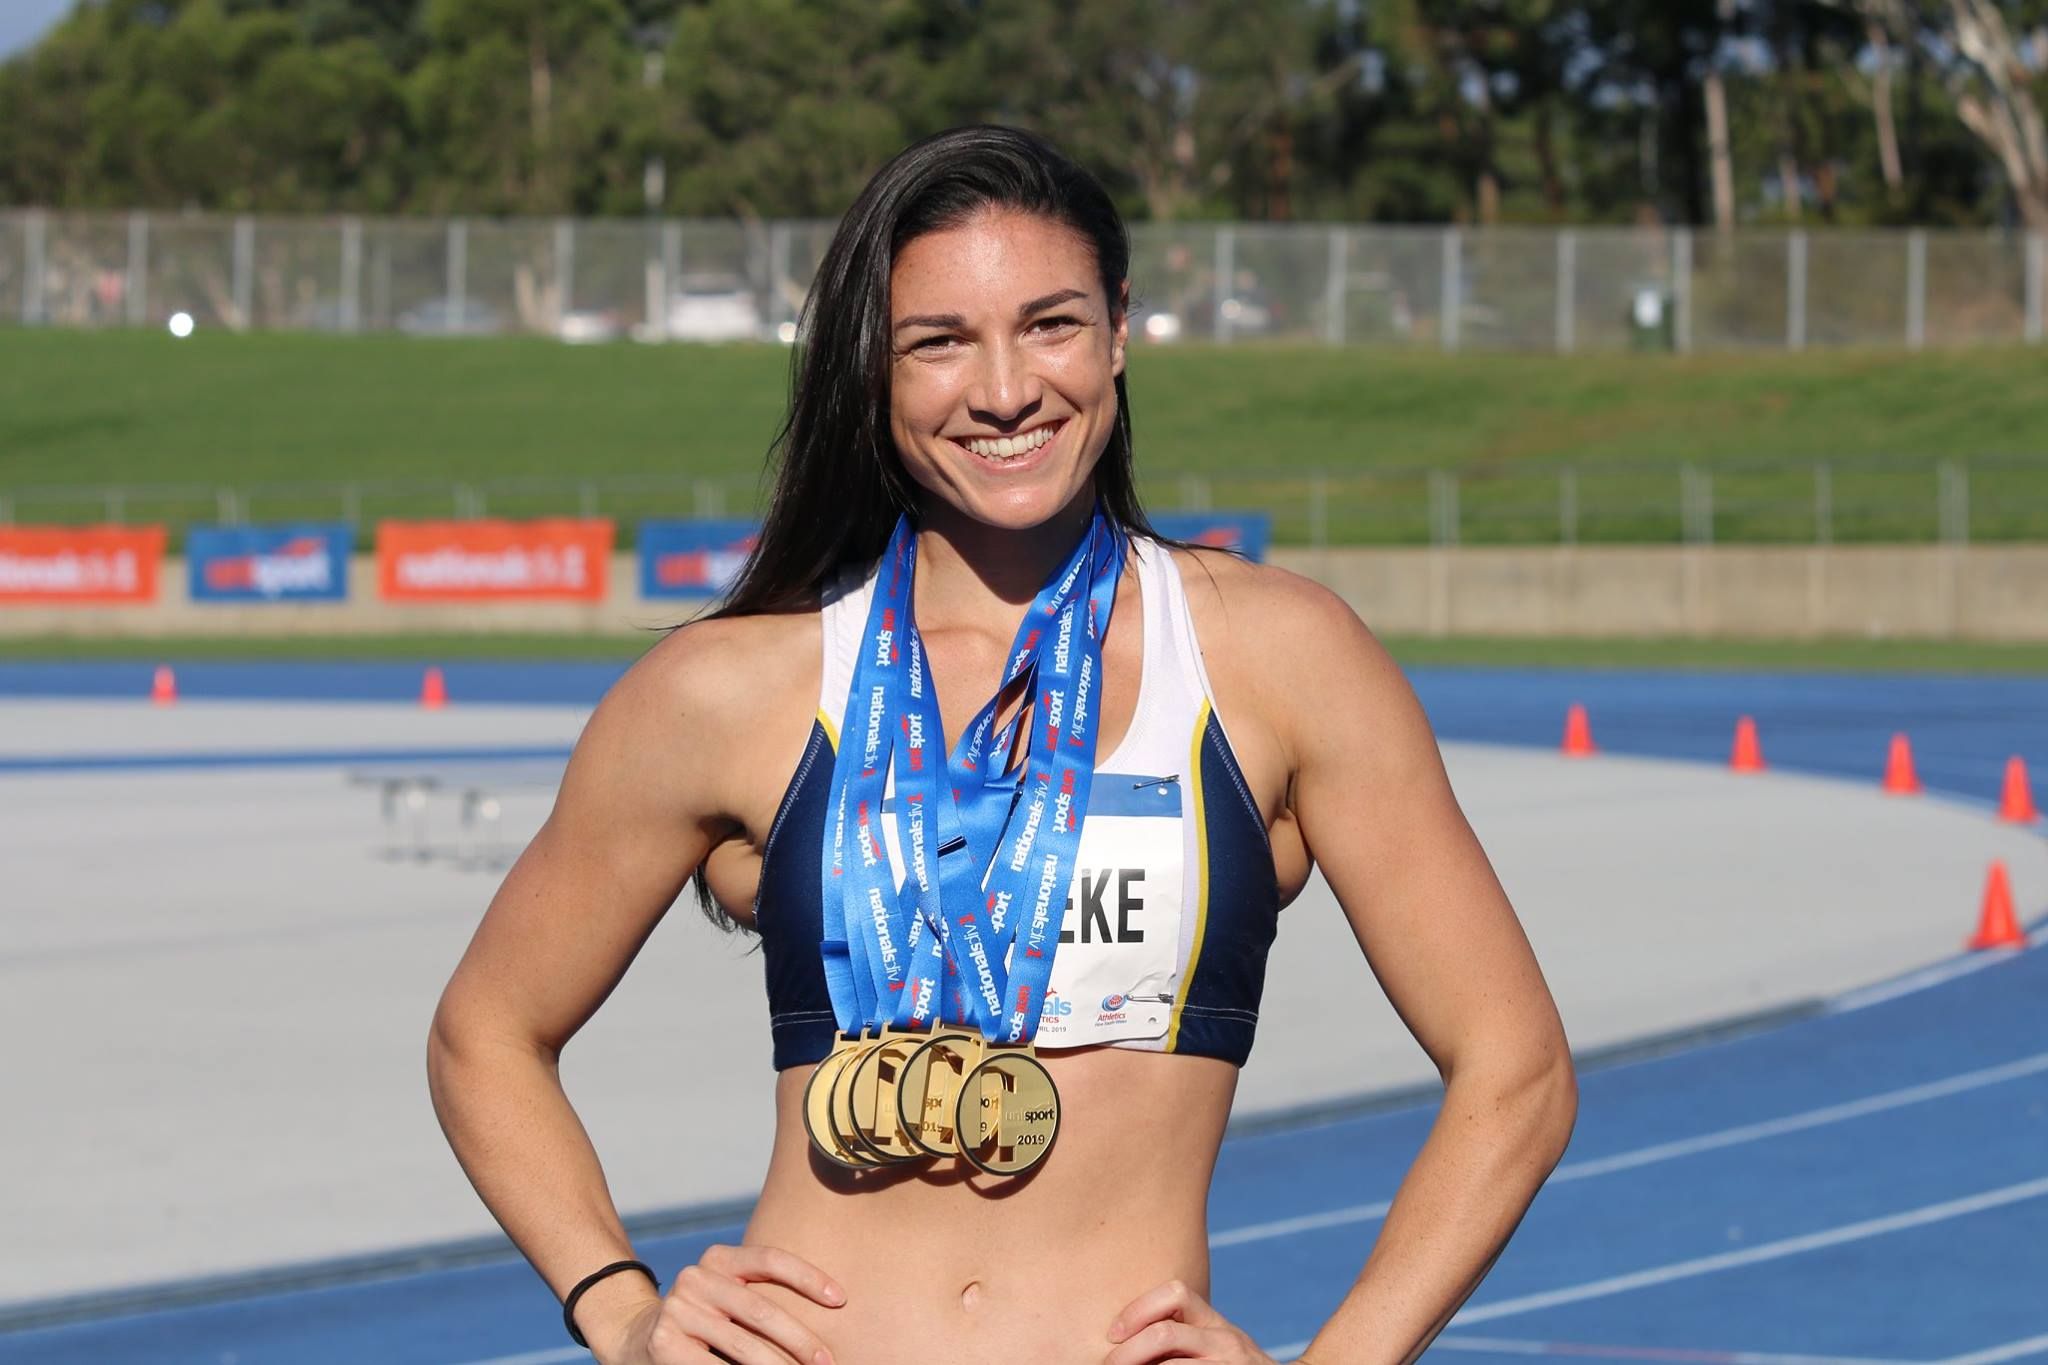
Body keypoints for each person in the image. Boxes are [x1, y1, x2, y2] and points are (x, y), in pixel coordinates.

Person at [427, 125, 1576, 1365]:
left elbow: (1514, 1070)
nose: (1005, 390)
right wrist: (622, 1311)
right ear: (871, 368)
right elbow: (483, 1035)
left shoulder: (1276, 658)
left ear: (1118, 330)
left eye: (1049, 325)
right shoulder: (725, 691)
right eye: (939, 342)